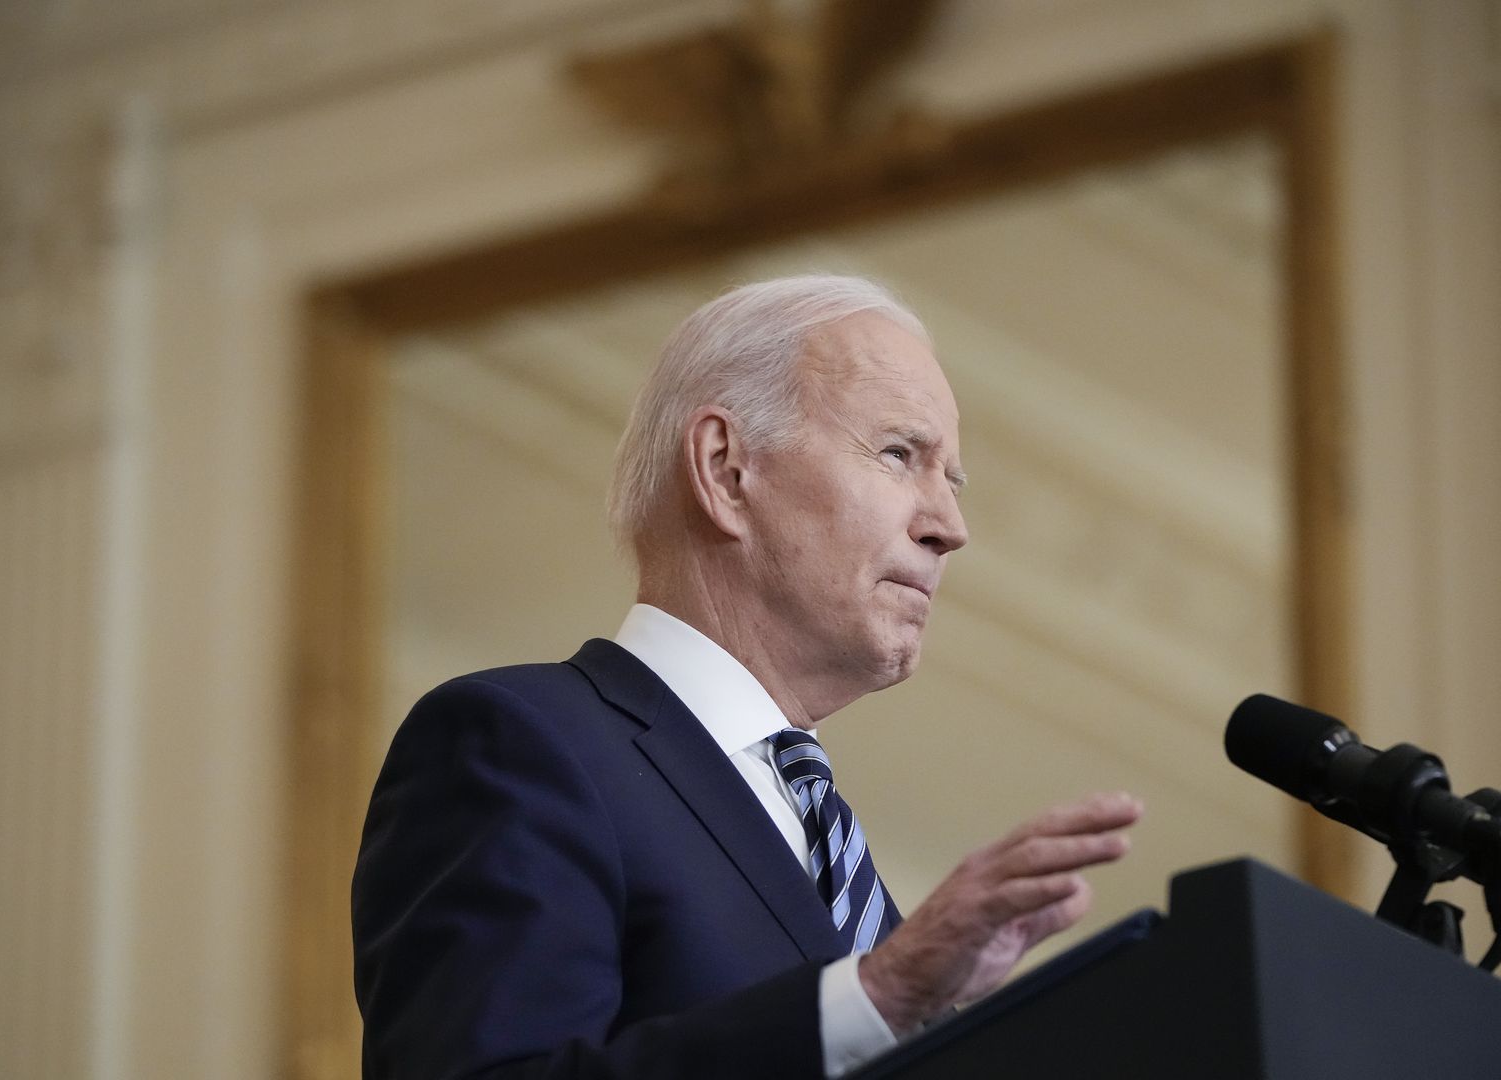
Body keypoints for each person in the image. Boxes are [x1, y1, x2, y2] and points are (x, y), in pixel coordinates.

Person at [352, 275, 1143, 1079]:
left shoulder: (825, 844)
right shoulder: (520, 745)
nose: (950, 528)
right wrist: (879, 995)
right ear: (727, 470)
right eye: (901, 455)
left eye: (952, 481)